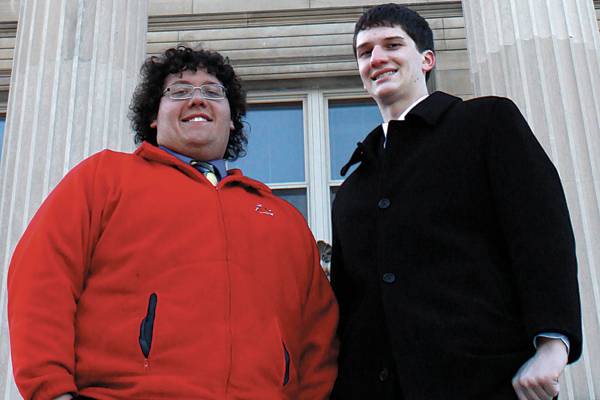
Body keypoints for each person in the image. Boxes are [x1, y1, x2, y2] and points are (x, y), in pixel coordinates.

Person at [8, 46, 338, 400]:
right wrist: (51, 391)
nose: (198, 99)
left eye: (213, 92)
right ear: (154, 115)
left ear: (231, 119)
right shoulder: (103, 178)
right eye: (179, 92)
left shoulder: (282, 217)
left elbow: (317, 336)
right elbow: (43, 277)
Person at [330, 4, 582, 400]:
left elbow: (541, 235)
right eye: (365, 52)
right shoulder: (353, 188)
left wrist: (553, 344)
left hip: (485, 380)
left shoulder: (486, 123)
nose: (377, 58)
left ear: (427, 59)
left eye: (392, 45)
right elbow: (348, 303)